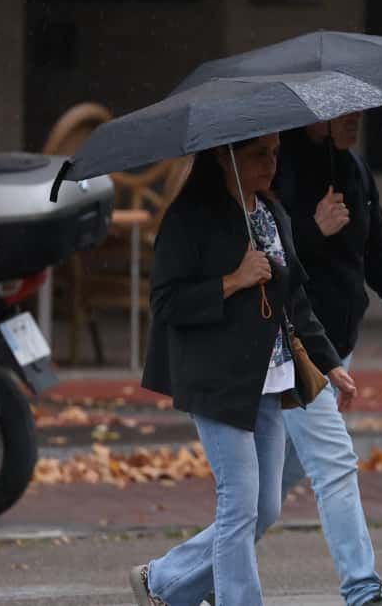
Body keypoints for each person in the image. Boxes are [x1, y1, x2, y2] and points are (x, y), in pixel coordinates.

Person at [129, 133, 356, 606]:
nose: (270, 164)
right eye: (258, 154)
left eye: (275, 154)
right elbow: (166, 303)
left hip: (268, 380)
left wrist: (330, 364)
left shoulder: (272, 215)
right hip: (214, 380)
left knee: (264, 508)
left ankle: (165, 582)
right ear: (223, 156)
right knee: (239, 504)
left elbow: (295, 301)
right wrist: (233, 280)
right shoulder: (190, 218)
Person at [268, 111, 382, 605]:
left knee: (268, 496)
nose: (355, 120)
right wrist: (311, 230)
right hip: (295, 348)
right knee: (334, 463)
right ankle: (362, 589)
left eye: (358, 110)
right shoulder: (276, 167)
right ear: (313, 115)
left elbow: (380, 258)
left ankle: (170, 578)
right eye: (342, 113)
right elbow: (264, 262)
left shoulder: (353, 170)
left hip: (338, 346)